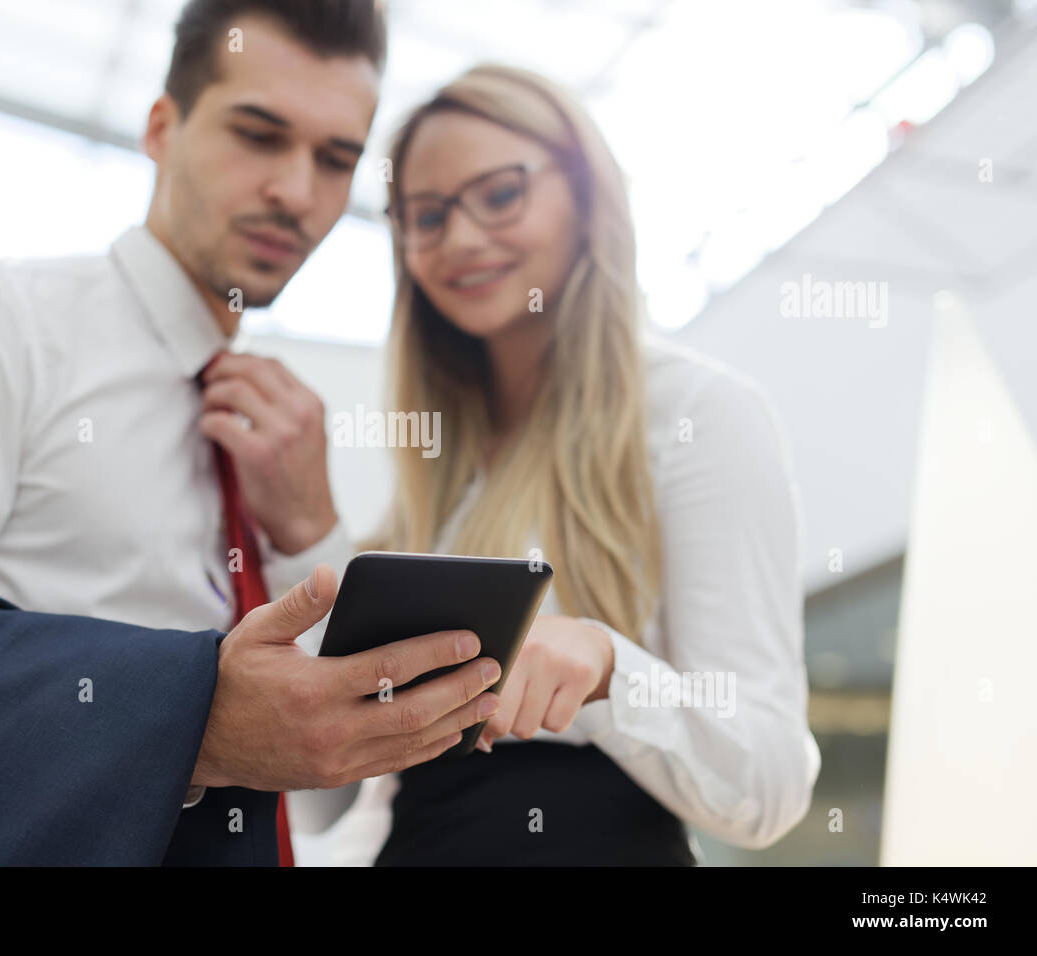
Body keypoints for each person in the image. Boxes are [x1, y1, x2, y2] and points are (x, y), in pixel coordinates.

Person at [0, 0, 503, 866]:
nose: (297, 191)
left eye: (336, 159)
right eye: (259, 134)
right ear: (160, 128)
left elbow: (323, 796)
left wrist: (309, 531)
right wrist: (186, 721)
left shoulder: (279, 430)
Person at [285, 63, 822, 865]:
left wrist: (608, 668)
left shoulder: (698, 415)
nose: (461, 239)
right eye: (425, 216)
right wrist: (302, 528)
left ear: (585, 196)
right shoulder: (442, 469)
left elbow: (770, 782)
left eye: (500, 195)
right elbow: (322, 794)